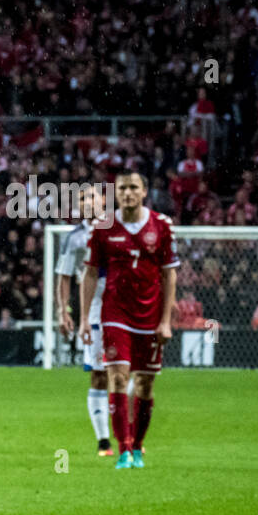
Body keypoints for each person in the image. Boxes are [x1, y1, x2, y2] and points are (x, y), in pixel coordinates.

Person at [80, 173, 179, 469]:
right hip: (115, 313)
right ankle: (122, 449)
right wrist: (85, 318)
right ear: (116, 194)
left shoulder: (162, 226)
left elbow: (169, 273)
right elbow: (89, 272)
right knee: (119, 377)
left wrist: (166, 321)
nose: (127, 193)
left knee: (146, 385)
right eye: (122, 188)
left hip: (150, 314)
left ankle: (137, 445)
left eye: (133, 187)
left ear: (144, 191)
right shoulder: (103, 226)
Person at [55, 187, 112, 456]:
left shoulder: (119, 229)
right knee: (100, 375)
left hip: (126, 309)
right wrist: (63, 311)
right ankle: (103, 441)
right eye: (82, 199)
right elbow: (64, 277)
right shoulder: (74, 239)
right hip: (95, 312)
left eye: (92, 196)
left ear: (104, 200)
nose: (88, 202)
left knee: (132, 373)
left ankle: (130, 435)